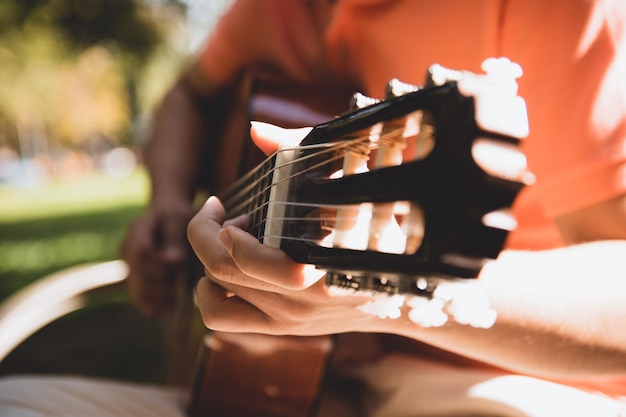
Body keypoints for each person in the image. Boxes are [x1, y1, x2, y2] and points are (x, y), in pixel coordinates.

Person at [2, 0, 626, 416]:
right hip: (282, 388)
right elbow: (188, 95)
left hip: (506, 387)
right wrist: (166, 205)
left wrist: (401, 295)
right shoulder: (278, 8)